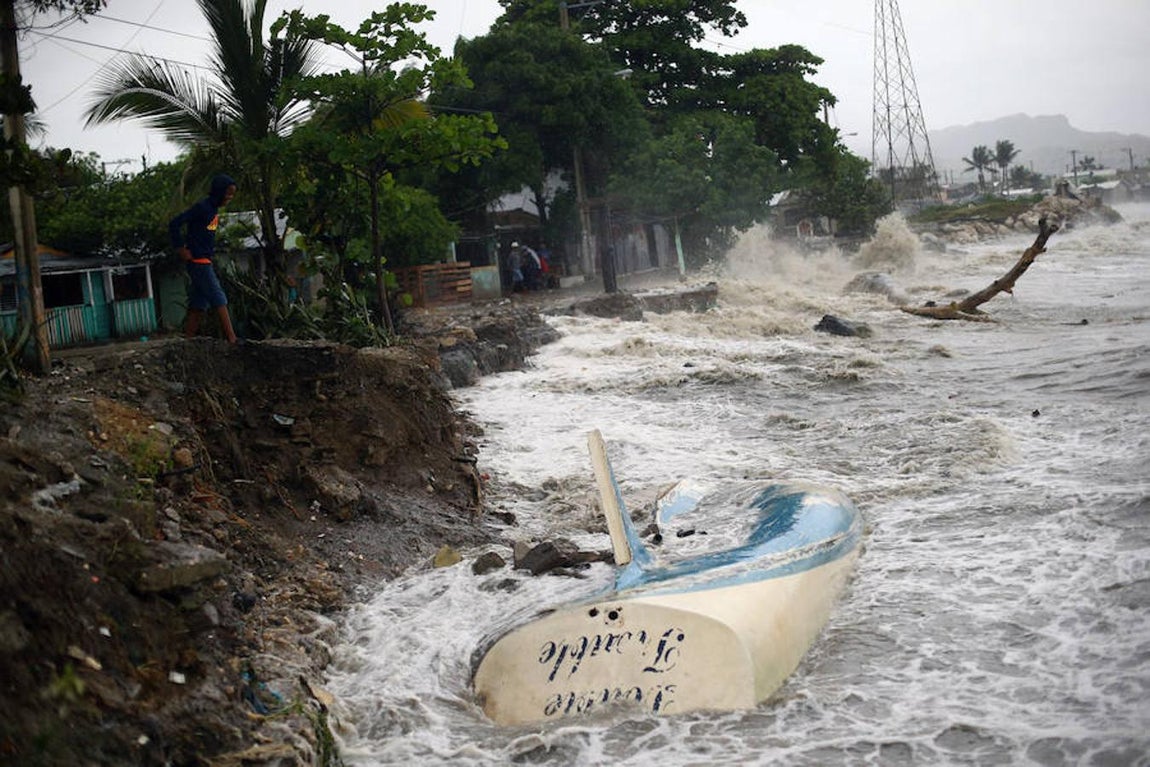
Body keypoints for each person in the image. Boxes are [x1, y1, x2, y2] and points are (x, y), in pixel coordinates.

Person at [169, 174, 239, 343]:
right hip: (198, 261)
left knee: (198, 303)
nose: (230, 197)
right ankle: (232, 339)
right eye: (228, 193)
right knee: (218, 297)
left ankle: (188, 339)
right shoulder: (202, 207)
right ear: (219, 192)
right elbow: (175, 223)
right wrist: (181, 248)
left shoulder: (213, 210)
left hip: (205, 258)